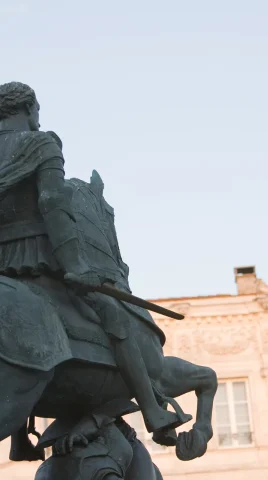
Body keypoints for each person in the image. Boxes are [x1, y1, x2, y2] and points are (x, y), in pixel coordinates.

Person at [0, 81, 186, 434]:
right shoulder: (40, 144)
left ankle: (21, 436)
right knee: (113, 316)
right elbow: (53, 204)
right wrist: (77, 266)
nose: (38, 117)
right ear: (27, 110)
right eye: (36, 110)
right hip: (40, 259)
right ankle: (152, 410)